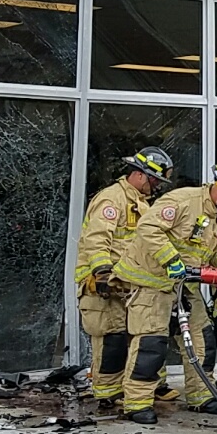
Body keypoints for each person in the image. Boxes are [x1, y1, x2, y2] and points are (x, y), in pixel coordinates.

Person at [112, 164, 217, 423]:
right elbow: (148, 228)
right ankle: (136, 403)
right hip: (152, 282)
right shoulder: (183, 201)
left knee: (203, 338)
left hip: (184, 285)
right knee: (151, 344)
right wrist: (170, 259)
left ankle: (201, 396)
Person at [74, 147, 174, 411]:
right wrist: (103, 273)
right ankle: (107, 393)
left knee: (138, 338)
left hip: (128, 286)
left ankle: (139, 389)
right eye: (154, 180)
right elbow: (96, 239)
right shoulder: (112, 200)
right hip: (104, 287)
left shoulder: (141, 204)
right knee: (112, 340)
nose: (156, 187)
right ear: (140, 175)